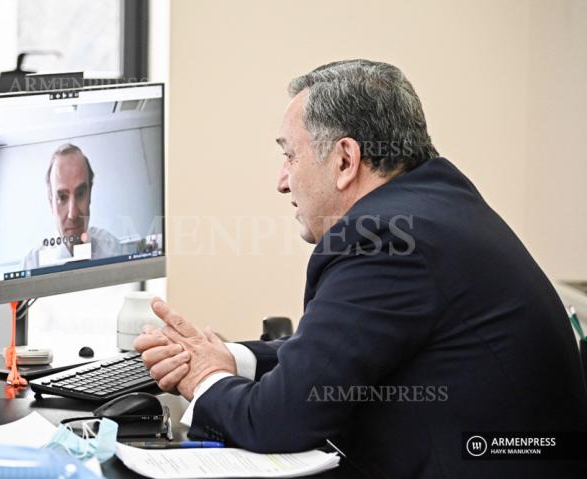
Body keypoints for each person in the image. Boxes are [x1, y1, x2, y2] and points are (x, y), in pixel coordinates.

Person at [135, 60, 587, 478]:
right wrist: (232, 359)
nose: (281, 180)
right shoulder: (436, 203)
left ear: (345, 160)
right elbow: (343, 353)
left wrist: (203, 380)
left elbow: (281, 420)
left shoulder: (382, 238)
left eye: (290, 155)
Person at [22, 143, 121, 270]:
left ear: (89, 195)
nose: (73, 214)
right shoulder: (32, 264)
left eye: (80, 194)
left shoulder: (113, 250)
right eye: (62, 197)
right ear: (50, 202)